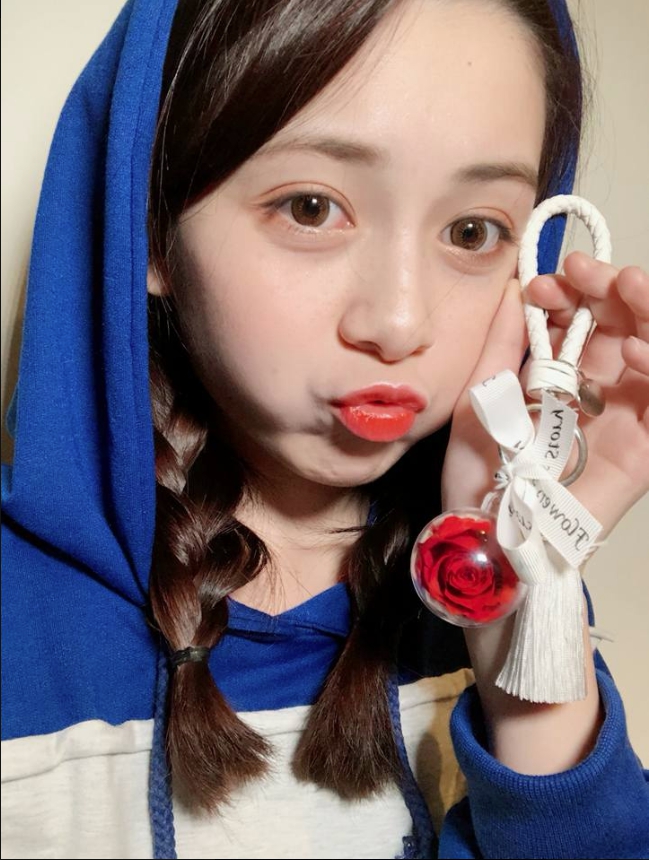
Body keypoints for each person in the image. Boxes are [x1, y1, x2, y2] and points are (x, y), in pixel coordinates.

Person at [2, 0, 648, 857]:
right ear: (150, 228)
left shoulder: (480, 583)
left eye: (471, 231)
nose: (399, 321)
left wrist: (525, 608)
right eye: (310, 208)